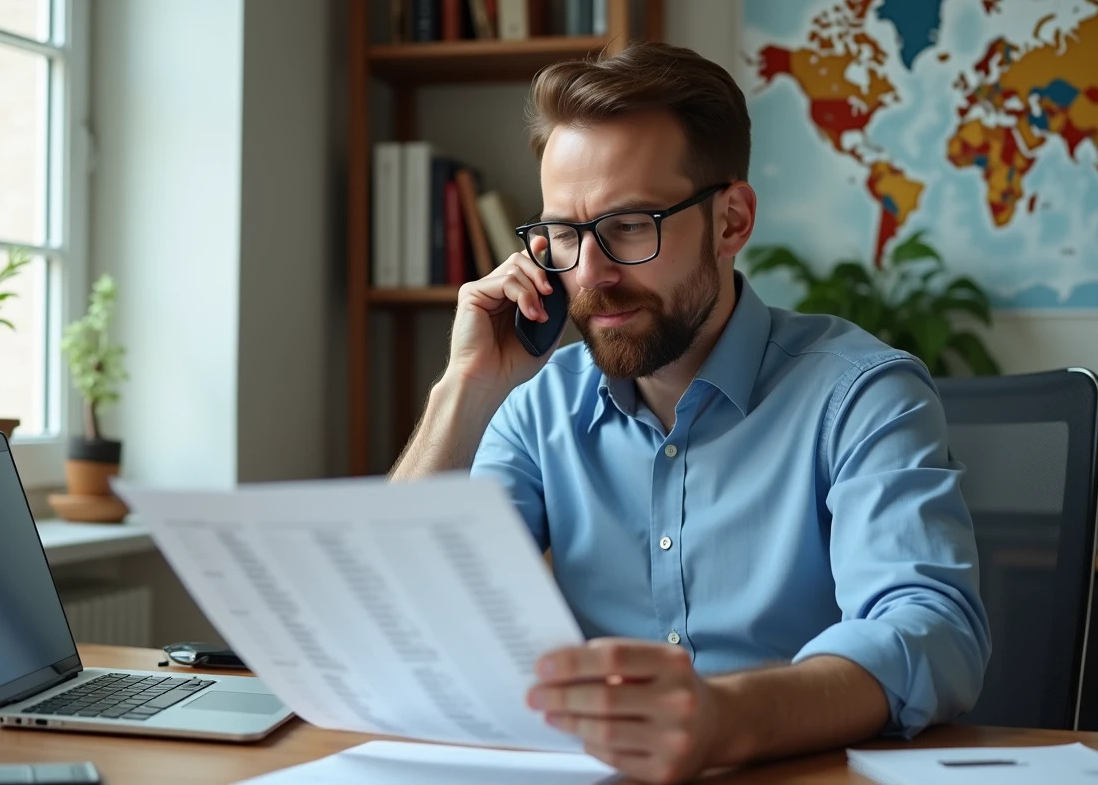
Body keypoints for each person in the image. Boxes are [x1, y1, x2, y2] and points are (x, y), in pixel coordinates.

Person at [391, 41, 991, 784]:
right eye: (566, 234)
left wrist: (723, 719)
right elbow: (398, 621)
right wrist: (465, 387)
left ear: (732, 221)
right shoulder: (537, 408)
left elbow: (931, 633)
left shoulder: (861, 395)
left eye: (631, 226)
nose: (590, 275)